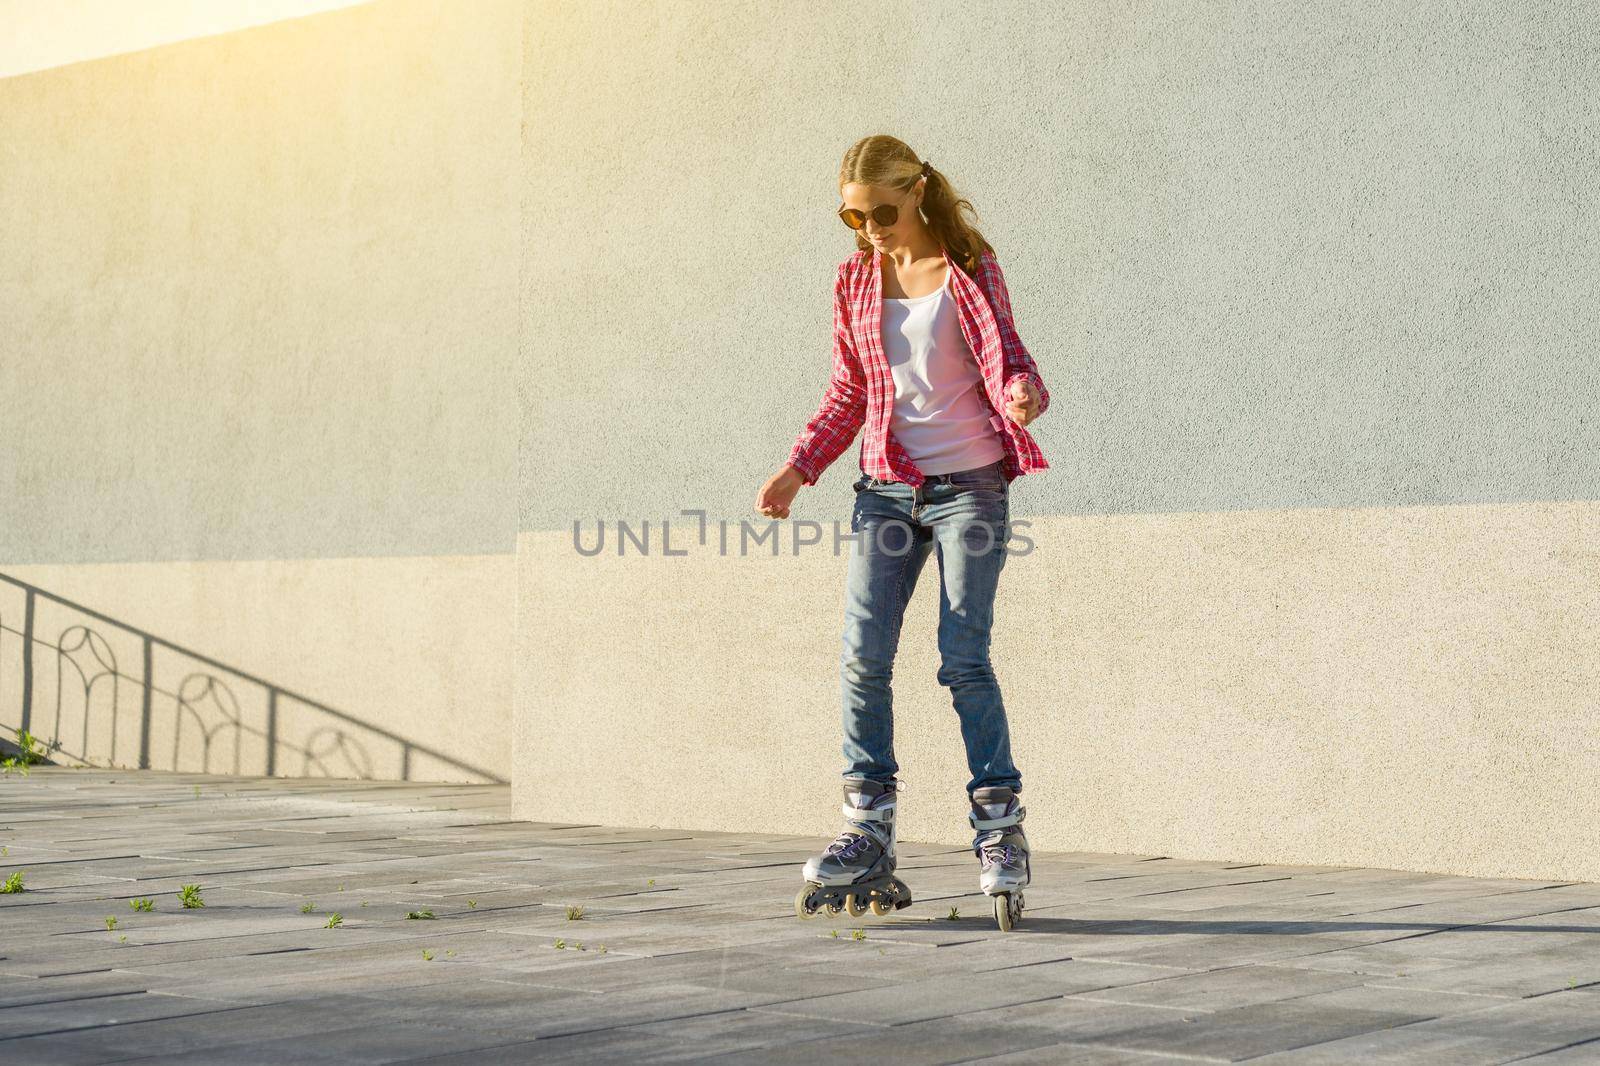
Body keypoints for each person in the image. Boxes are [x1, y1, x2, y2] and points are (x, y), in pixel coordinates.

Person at [754, 135, 1051, 929]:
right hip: (885, 491)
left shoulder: (969, 266)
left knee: (962, 658)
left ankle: (998, 829)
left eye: (882, 210)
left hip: (970, 490)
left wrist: (1023, 392)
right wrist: (798, 468)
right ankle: (868, 827)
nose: (869, 226)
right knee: (862, 656)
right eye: (852, 213)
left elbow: (1011, 360)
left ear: (917, 191)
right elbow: (849, 391)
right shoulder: (855, 279)